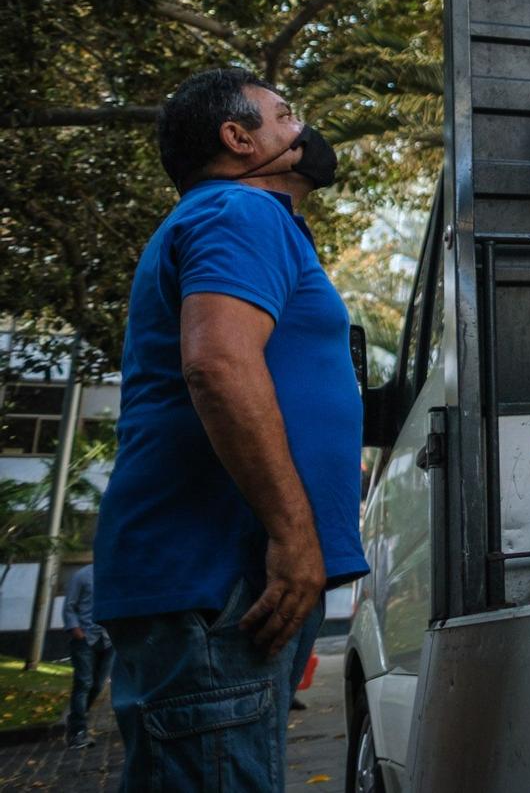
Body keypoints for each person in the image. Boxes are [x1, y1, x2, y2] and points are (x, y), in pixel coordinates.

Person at [94, 68, 367, 790]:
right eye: (285, 116)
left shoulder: (240, 219)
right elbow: (216, 364)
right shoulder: (238, 213)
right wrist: (292, 532)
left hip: (219, 587)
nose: (303, 130)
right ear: (238, 138)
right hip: (221, 581)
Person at [61, 562, 112, 750]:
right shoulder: (82, 575)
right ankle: (78, 731)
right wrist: (76, 630)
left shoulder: (114, 574)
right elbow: (70, 605)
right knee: (84, 682)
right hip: (85, 638)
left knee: (98, 685)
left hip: (109, 639)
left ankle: (75, 719)